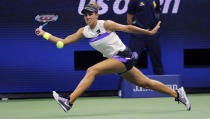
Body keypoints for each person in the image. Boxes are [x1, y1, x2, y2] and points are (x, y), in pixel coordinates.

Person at [35, 2, 191, 112]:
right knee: (146, 83)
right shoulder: (83, 31)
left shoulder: (106, 24)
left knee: (92, 70)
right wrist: (44, 34)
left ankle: (68, 101)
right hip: (118, 61)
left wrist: (148, 32)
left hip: (124, 56)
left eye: (91, 14)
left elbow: (128, 27)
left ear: (96, 15)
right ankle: (178, 94)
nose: (88, 16)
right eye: (85, 14)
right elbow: (63, 42)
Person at [127, 0, 164, 75]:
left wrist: (153, 28)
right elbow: (129, 20)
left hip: (153, 35)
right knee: (129, 61)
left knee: (157, 62)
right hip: (138, 36)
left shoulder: (156, 1)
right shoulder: (133, 1)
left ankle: (159, 85)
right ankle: (123, 85)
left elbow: (157, 14)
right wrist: (137, 31)